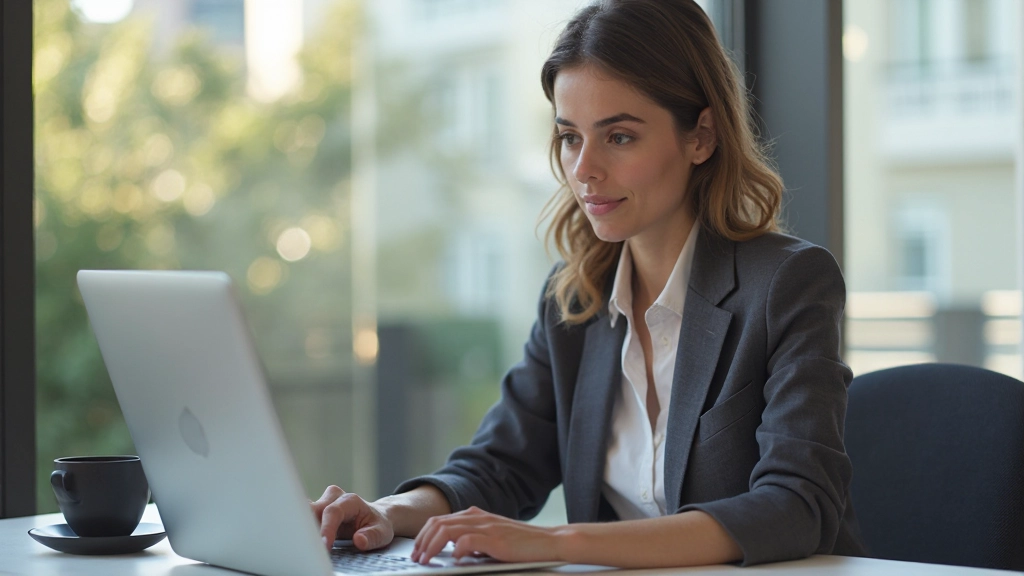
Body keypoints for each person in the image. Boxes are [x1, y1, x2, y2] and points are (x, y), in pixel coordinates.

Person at [311, 0, 865, 567]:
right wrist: (386, 511)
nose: (584, 169)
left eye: (619, 137)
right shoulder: (573, 298)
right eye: (571, 137)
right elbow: (501, 464)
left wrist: (557, 542)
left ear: (701, 136)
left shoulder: (787, 284)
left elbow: (797, 505)